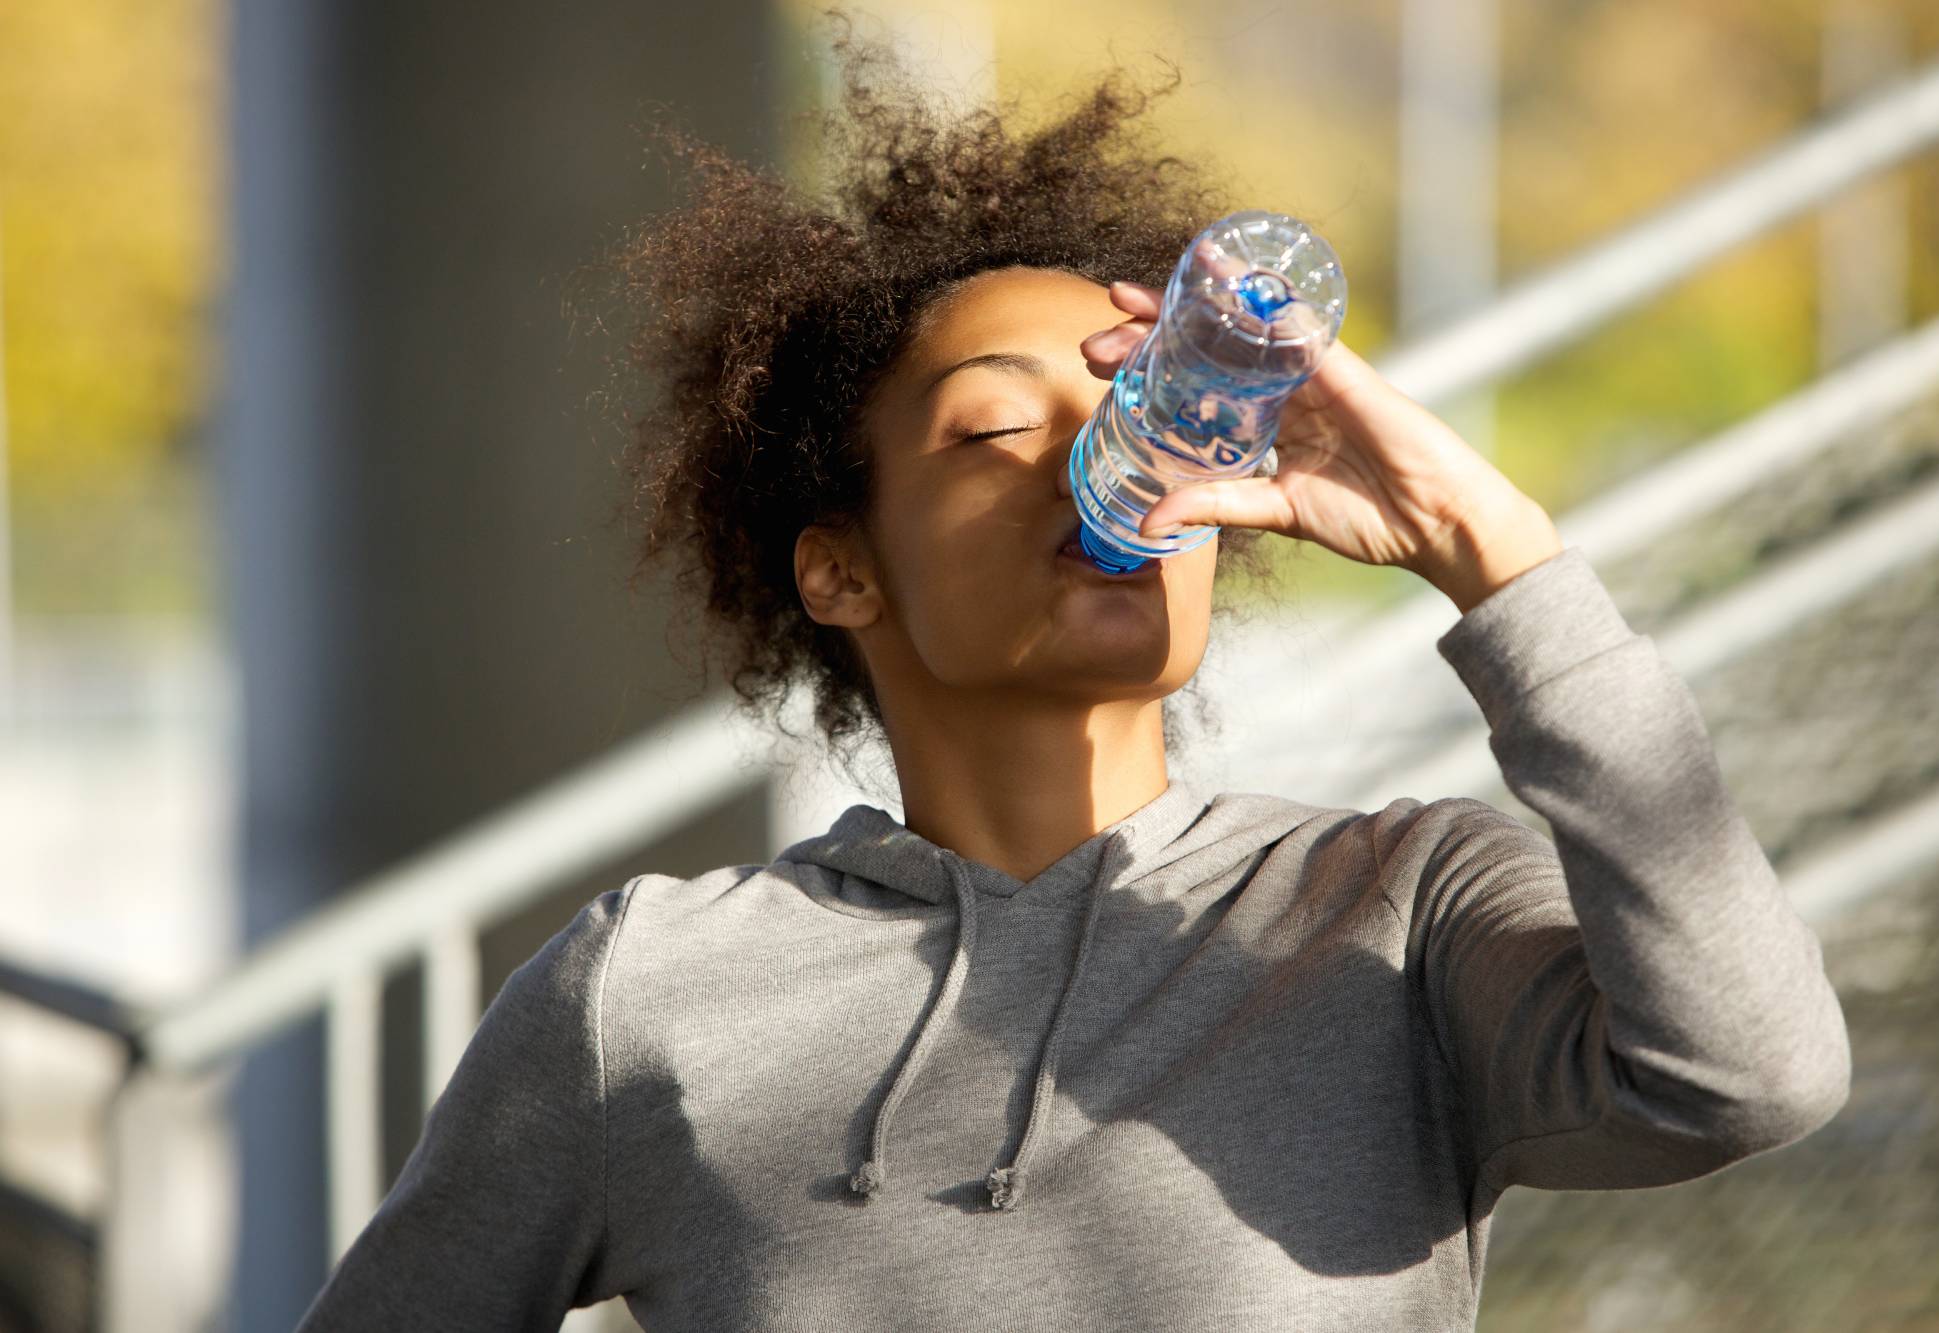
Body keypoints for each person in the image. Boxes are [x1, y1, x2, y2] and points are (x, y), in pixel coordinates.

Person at [297, 12, 1850, 1331]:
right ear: (842, 566)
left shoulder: (1397, 906)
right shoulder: (645, 986)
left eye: (1138, 413)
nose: (1094, 467)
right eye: (991, 427)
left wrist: (1490, 550)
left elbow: (1749, 1074)